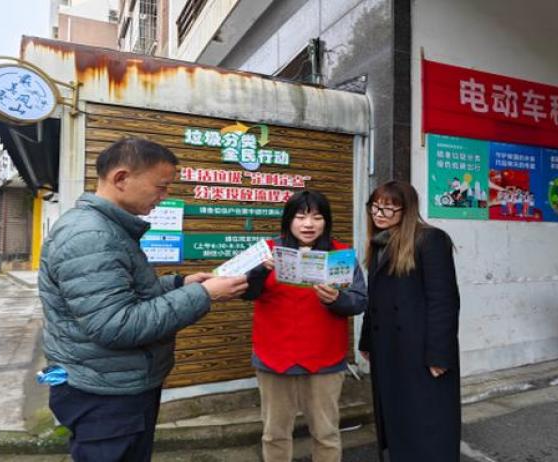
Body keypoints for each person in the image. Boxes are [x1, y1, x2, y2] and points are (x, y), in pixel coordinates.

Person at [38, 138, 248, 462]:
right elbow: (116, 325)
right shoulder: (91, 236)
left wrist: (180, 283)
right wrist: (203, 294)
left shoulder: (107, 229)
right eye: (161, 187)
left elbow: (127, 297)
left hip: (114, 384)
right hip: (104, 398)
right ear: (121, 179)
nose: (164, 198)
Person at [244, 190, 367, 462]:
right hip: (274, 357)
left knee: (326, 434)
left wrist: (337, 299)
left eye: (317, 217)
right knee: (274, 434)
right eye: (300, 216)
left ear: (327, 221)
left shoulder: (341, 254)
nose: (308, 224)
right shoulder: (267, 250)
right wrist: (260, 271)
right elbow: (245, 292)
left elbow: (359, 301)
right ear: (289, 220)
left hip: (325, 359)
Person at [358, 180, 461, 462]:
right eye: (375, 207)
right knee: (397, 415)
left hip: (420, 349)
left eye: (389, 208)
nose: (379, 214)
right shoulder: (379, 242)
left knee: (426, 421)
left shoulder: (430, 239)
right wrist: (367, 340)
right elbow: (375, 298)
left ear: (407, 210)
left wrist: (439, 354)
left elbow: (444, 301)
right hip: (388, 346)